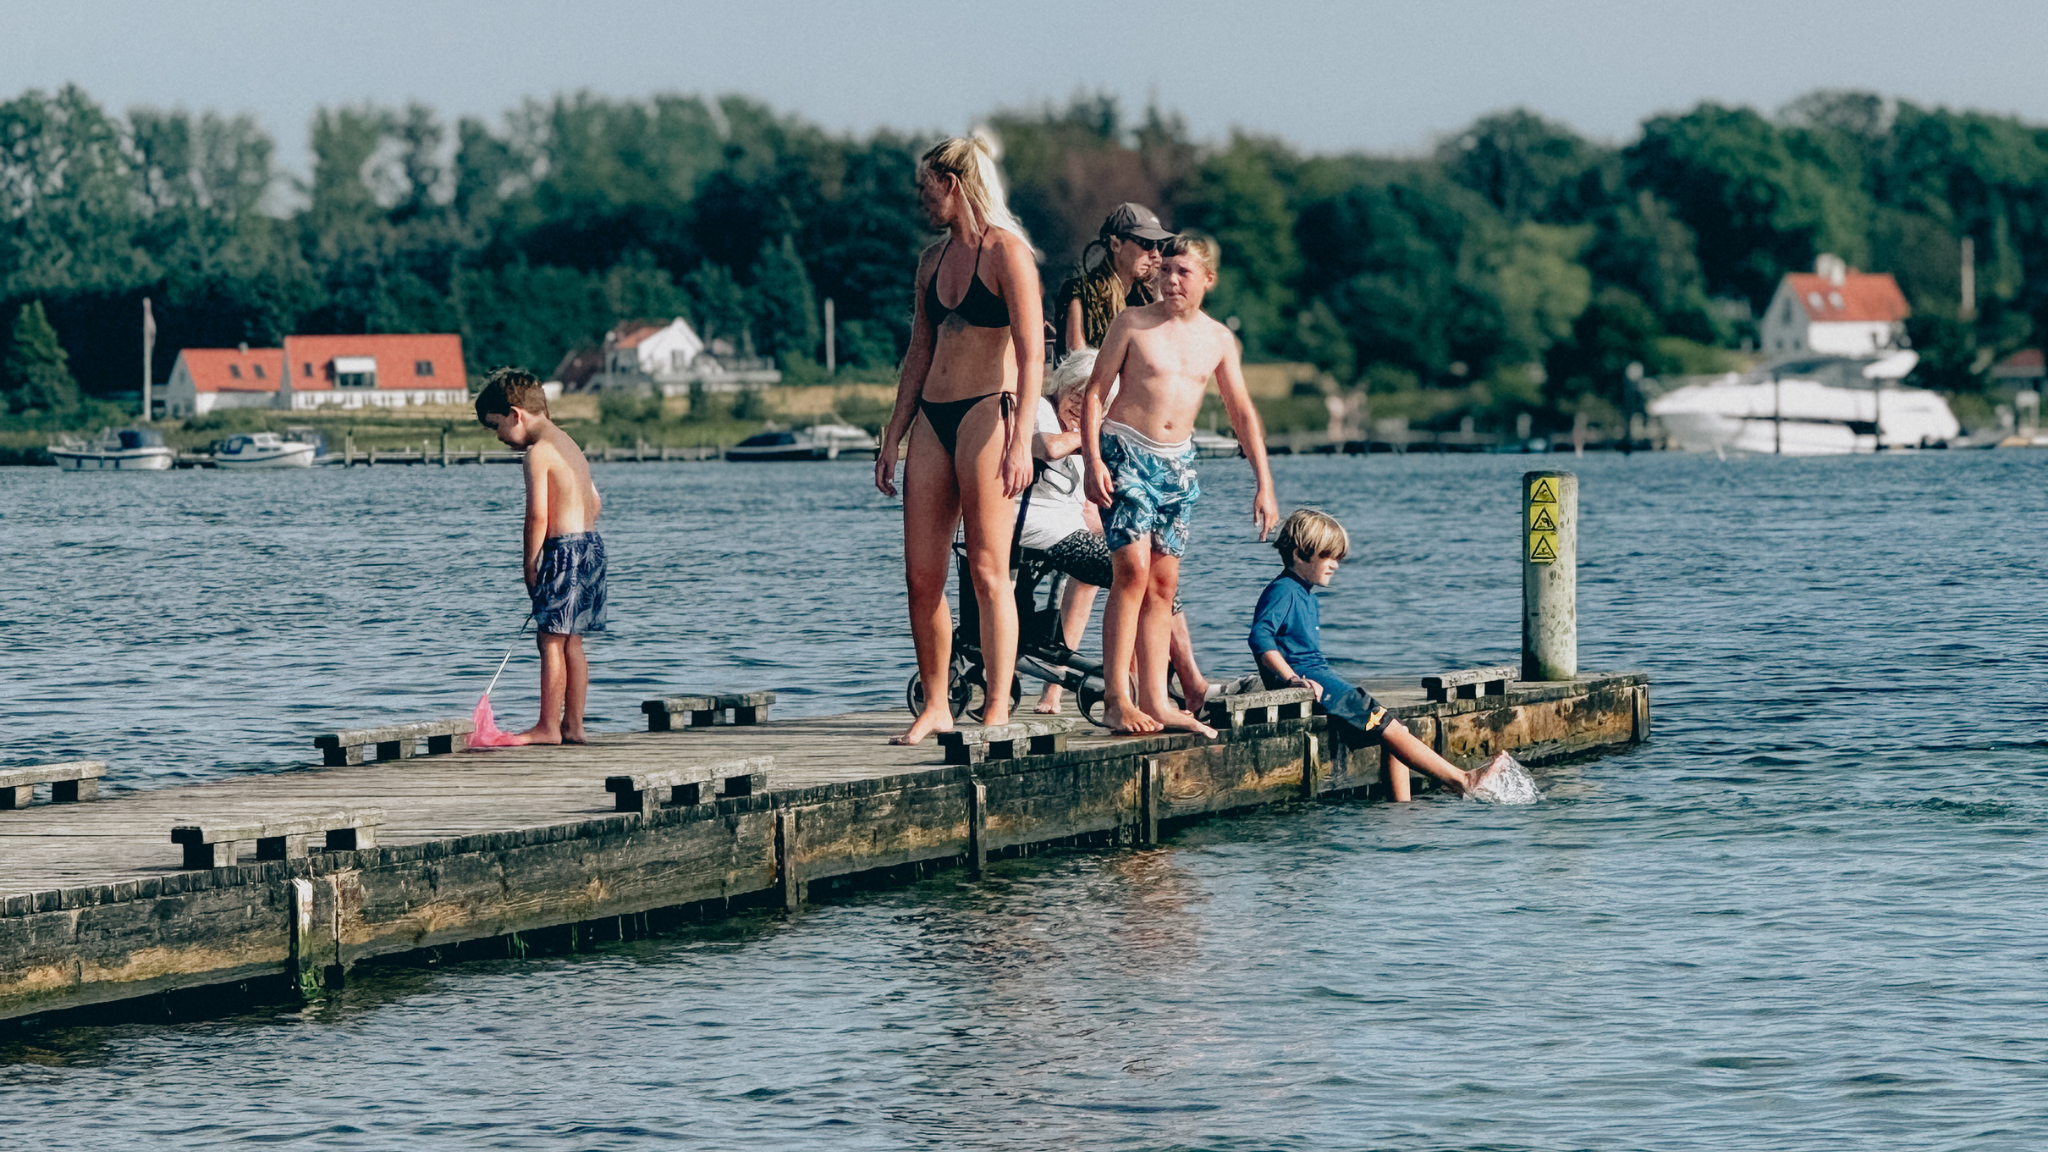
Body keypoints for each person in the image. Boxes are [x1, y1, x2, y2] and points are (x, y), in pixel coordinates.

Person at [875, 134, 1046, 744]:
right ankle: (938, 703)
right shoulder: (929, 261)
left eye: (928, 187)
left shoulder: (1008, 254)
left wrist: (1021, 435)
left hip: (987, 413)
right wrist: (894, 432)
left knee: (987, 568)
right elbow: (919, 349)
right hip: (933, 416)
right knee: (921, 576)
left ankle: (998, 703)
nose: (922, 198)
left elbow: (1032, 357)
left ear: (954, 184)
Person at [1082, 233, 1278, 736]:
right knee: (1131, 570)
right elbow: (1094, 394)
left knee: (1164, 585)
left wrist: (1264, 483)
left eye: (1183, 272)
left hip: (1178, 466)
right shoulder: (1132, 323)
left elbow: (1241, 412)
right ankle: (1115, 698)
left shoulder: (1217, 339)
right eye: (1165, 270)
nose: (1170, 280)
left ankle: (1157, 699)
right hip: (1124, 451)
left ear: (1207, 280)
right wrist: (1091, 461)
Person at [1252, 509, 1510, 799]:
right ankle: (1462, 779)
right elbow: (1260, 638)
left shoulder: (1304, 592)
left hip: (1323, 681)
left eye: (1339, 558)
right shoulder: (1283, 590)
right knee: (1386, 724)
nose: (1335, 565)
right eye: (1328, 556)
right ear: (1300, 554)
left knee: (1393, 727)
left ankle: (1402, 809)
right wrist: (1291, 679)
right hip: (1316, 685)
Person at [1022, 349, 1209, 714]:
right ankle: (1157, 686)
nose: (1079, 405)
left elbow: (1090, 510)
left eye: (1090, 399)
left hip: (1065, 527)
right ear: (1061, 385)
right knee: (1131, 575)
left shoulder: (1082, 430)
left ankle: (1169, 681)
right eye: (1076, 393)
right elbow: (1046, 446)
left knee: (1153, 567)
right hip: (1035, 528)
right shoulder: (1038, 409)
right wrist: (1090, 441)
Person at [475, 368, 606, 745]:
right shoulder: (570, 444)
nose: (499, 437)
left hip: (563, 550)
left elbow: (537, 516)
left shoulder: (538, 454)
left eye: (496, 426)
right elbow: (595, 502)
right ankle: (574, 726)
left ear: (516, 414)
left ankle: (548, 727)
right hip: (592, 547)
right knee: (573, 640)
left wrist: (530, 565)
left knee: (549, 641)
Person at [1053, 203, 1172, 356]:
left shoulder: (1145, 297)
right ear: (1116, 245)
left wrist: (1159, 296)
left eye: (1159, 245)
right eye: (1146, 243)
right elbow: (1077, 359)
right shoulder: (1080, 292)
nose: (1155, 254)